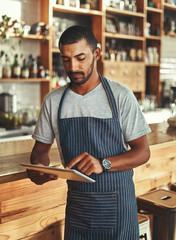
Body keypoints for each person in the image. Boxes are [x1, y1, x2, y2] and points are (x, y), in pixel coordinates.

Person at [28, 25, 151, 240]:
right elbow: (39, 153)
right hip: (78, 211)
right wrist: (38, 170)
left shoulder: (121, 96)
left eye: (80, 58)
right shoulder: (53, 101)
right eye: (66, 60)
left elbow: (143, 152)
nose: (73, 66)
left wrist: (103, 163)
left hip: (119, 211)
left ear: (96, 54)